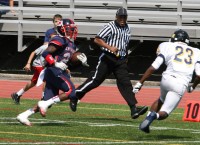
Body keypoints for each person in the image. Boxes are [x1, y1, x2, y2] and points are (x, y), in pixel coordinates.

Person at [73, 7, 148, 119]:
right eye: (120, 17)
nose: (122, 19)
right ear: (116, 17)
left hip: (120, 60)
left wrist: (125, 56)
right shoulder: (110, 26)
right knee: (95, 81)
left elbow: (125, 44)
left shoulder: (127, 28)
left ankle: (133, 109)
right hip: (108, 57)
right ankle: (75, 95)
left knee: (125, 83)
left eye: (124, 17)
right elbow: (97, 39)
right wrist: (109, 47)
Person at [16, 18, 89, 126]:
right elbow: (46, 53)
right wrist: (55, 63)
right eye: (69, 29)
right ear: (63, 29)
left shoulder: (71, 44)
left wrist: (80, 62)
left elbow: (66, 63)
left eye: (72, 29)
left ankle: (24, 115)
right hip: (53, 70)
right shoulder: (60, 39)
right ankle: (44, 103)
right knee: (71, 90)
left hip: (58, 71)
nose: (72, 31)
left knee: (48, 101)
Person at [132, 29, 200, 133]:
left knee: (161, 100)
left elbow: (153, 67)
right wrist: (193, 86)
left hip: (166, 78)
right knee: (165, 112)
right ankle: (153, 116)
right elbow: (199, 75)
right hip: (180, 83)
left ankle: (147, 120)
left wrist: (140, 82)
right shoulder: (196, 51)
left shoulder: (166, 46)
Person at [11, 14, 63, 104]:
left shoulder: (63, 32)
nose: (57, 23)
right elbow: (42, 48)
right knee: (47, 79)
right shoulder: (48, 38)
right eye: (56, 21)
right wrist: (28, 63)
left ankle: (17, 94)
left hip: (46, 61)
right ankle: (44, 98)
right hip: (41, 63)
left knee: (34, 82)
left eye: (59, 21)